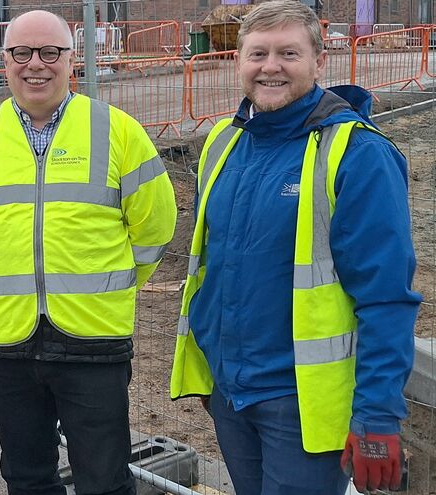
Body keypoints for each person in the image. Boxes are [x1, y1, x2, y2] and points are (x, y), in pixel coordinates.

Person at [169, 2, 421, 494]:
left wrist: (376, 415)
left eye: (289, 53)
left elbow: (386, 296)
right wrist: (215, 372)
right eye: (257, 53)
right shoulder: (223, 142)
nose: (271, 67)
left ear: (319, 61)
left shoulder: (356, 154)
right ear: (237, 61)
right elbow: (213, 268)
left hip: (300, 404)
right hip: (231, 394)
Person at [0, 10, 177, 494]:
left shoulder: (117, 131)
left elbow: (156, 231)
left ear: (72, 59)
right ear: (4, 60)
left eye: (49, 53)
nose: (35, 64)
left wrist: (110, 286)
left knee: (104, 481)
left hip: (93, 344)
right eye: (21, 53)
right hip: (5, 345)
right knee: (25, 479)